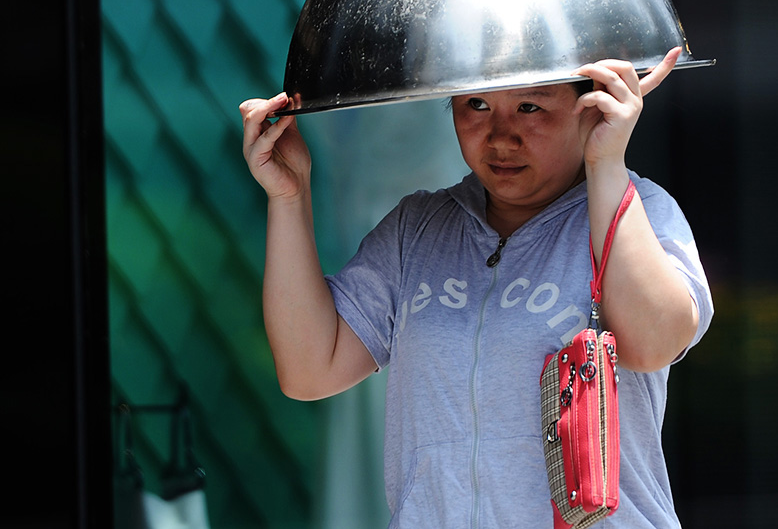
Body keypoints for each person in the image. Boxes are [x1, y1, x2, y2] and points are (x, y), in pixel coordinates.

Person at [240, 46, 713, 528]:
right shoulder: (417, 228)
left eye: (531, 107)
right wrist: (289, 195)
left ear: (589, 107)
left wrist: (607, 163)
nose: (500, 136)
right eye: (477, 105)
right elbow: (308, 369)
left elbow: (654, 344)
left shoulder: (643, 209)